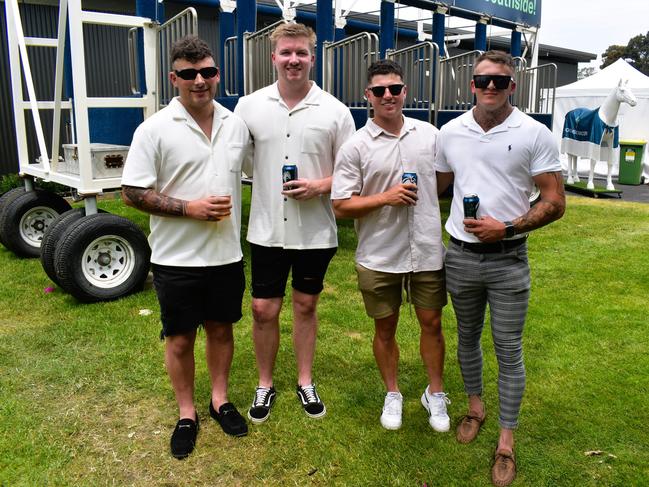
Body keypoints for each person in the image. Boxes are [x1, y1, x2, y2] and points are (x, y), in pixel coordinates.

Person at [435, 50, 566, 486]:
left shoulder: (534, 133)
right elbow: (436, 187)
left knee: (508, 350)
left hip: (509, 259)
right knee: (467, 338)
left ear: (514, 85)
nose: (490, 87)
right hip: (460, 256)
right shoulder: (451, 132)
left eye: (500, 81)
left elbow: (554, 202)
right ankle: (475, 408)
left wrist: (506, 227)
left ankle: (506, 441)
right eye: (482, 80)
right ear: (471, 84)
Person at [121, 35, 251, 460]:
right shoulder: (154, 128)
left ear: (217, 75)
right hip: (176, 257)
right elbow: (132, 192)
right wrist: (189, 208)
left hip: (226, 254)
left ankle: (219, 400)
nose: (200, 81)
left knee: (221, 329)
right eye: (190, 74)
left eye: (208, 72)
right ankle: (186, 413)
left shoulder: (235, 124)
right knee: (179, 339)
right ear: (174, 77)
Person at [234, 23, 355, 424]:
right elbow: (244, 164)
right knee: (262, 309)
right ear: (273, 57)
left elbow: (353, 173)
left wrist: (319, 185)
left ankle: (305, 380)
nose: (293, 60)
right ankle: (265, 384)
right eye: (286, 52)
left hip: (315, 229)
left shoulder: (335, 111)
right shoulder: (249, 107)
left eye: (301, 53)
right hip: (267, 228)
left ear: (312, 57)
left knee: (306, 305)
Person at [332, 60, 450, 432]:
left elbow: (444, 182)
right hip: (379, 253)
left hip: (427, 249)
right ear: (367, 96)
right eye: (379, 90)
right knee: (385, 328)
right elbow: (340, 205)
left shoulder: (430, 135)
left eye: (395, 89)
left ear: (405, 92)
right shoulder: (355, 146)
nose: (388, 96)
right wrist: (386, 198)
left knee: (431, 324)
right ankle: (393, 393)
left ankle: (435, 393)